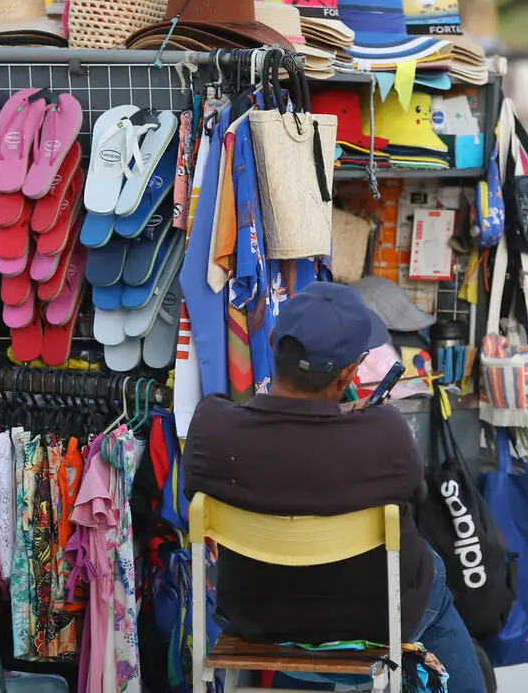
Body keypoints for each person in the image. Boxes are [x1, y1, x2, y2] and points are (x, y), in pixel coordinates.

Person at [182, 282, 486, 693]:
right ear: (348, 373)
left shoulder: (212, 430)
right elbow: (415, 493)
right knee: (428, 566)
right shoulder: (386, 436)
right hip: (375, 624)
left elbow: (283, 448)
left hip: (260, 622)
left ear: (273, 342)